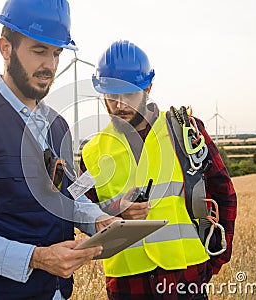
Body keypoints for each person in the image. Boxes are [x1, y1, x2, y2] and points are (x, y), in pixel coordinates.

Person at [0, 1, 118, 299]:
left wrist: (97, 219)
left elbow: (69, 197)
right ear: (6, 48)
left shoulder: (58, 125)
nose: (50, 66)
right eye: (39, 51)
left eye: (57, 54)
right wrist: (35, 258)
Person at [80, 40, 237, 299]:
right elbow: (84, 214)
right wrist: (117, 208)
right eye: (111, 96)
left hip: (185, 278)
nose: (119, 105)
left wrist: (216, 258)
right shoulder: (92, 150)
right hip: (126, 286)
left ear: (148, 88)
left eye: (128, 95)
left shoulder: (187, 130)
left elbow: (223, 191)